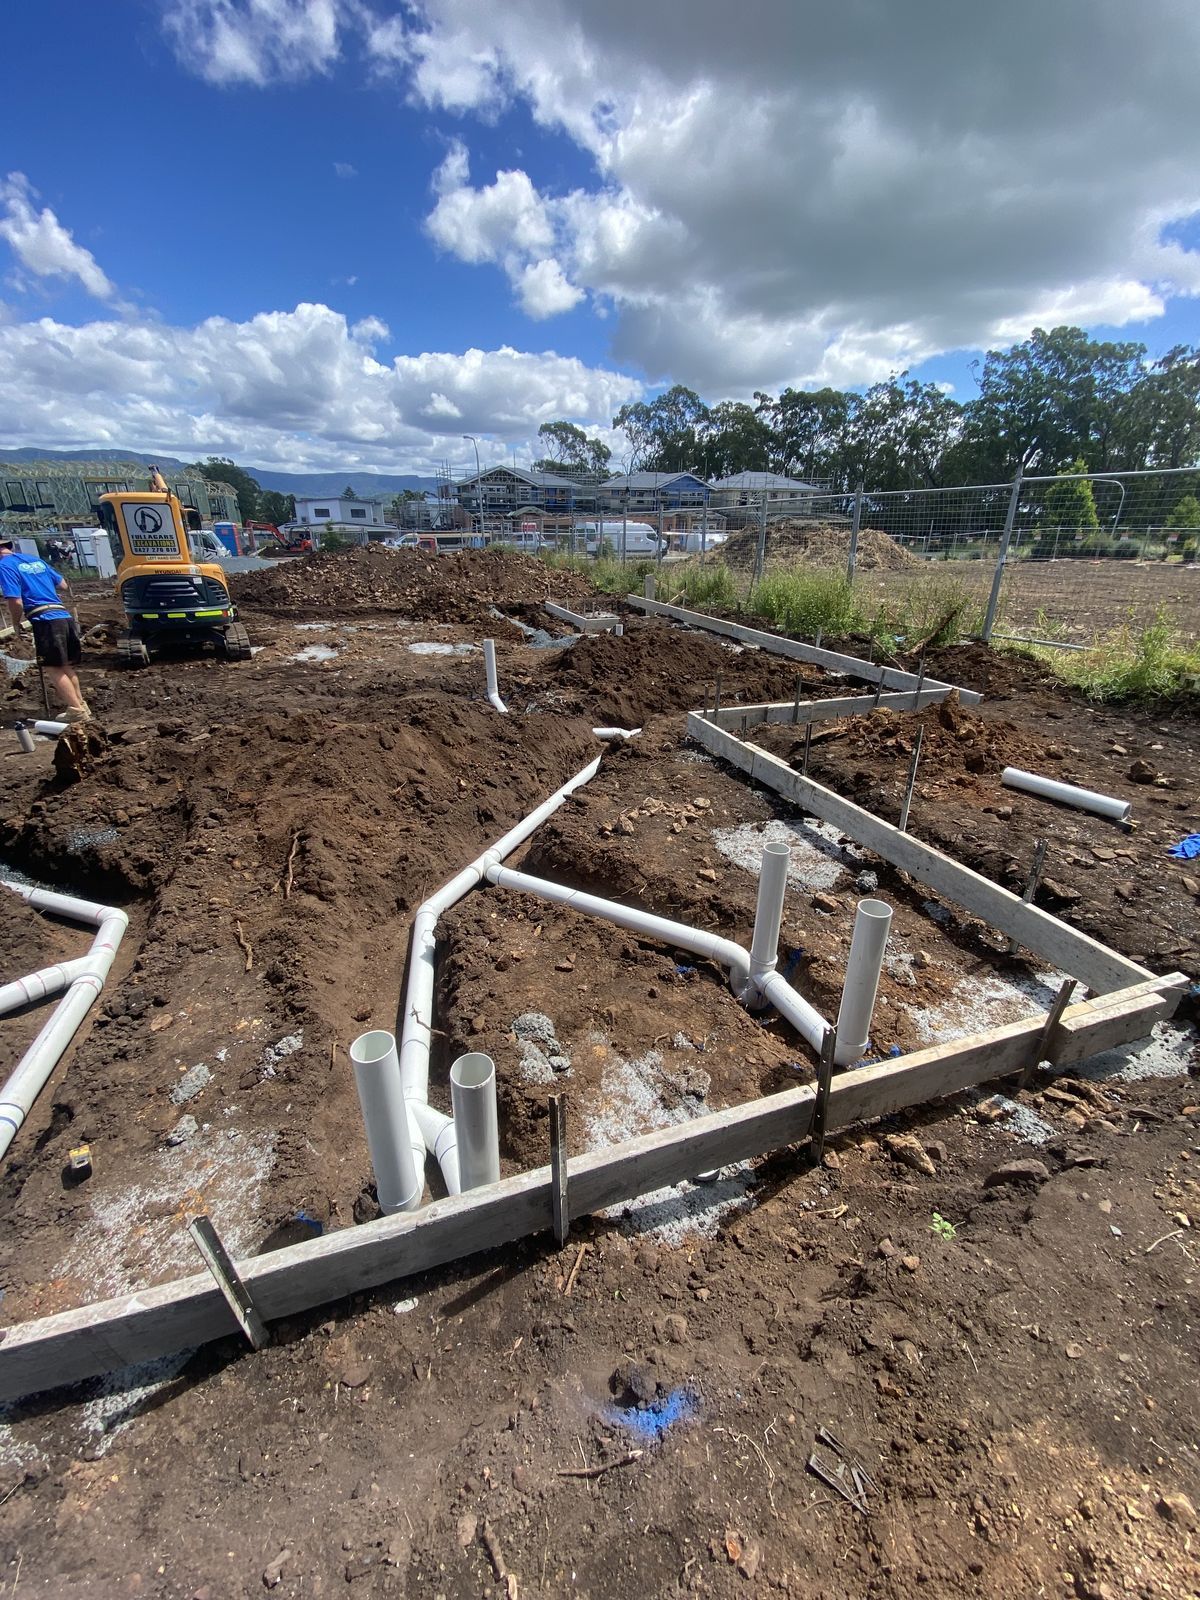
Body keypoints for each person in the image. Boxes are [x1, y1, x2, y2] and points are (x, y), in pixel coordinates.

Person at [0, 537, 90, 720]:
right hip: (63, 616)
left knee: (53, 667)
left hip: (45, 620)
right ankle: (81, 706)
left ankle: (76, 710)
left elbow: (15, 601)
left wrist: (16, 623)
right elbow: (63, 584)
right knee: (65, 665)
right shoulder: (35, 560)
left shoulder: (5, 566)